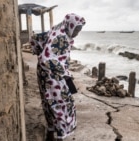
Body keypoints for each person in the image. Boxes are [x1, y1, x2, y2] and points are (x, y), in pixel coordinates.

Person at [30, 13, 85, 141]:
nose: (77, 33)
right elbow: (46, 58)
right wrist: (64, 72)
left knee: (49, 103)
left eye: (79, 30)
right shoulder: (61, 37)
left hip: (44, 74)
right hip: (52, 75)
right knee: (63, 105)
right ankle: (60, 137)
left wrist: (38, 50)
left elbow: (36, 38)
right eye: (76, 29)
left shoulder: (57, 30)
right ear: (70, 26)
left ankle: (50, 134)